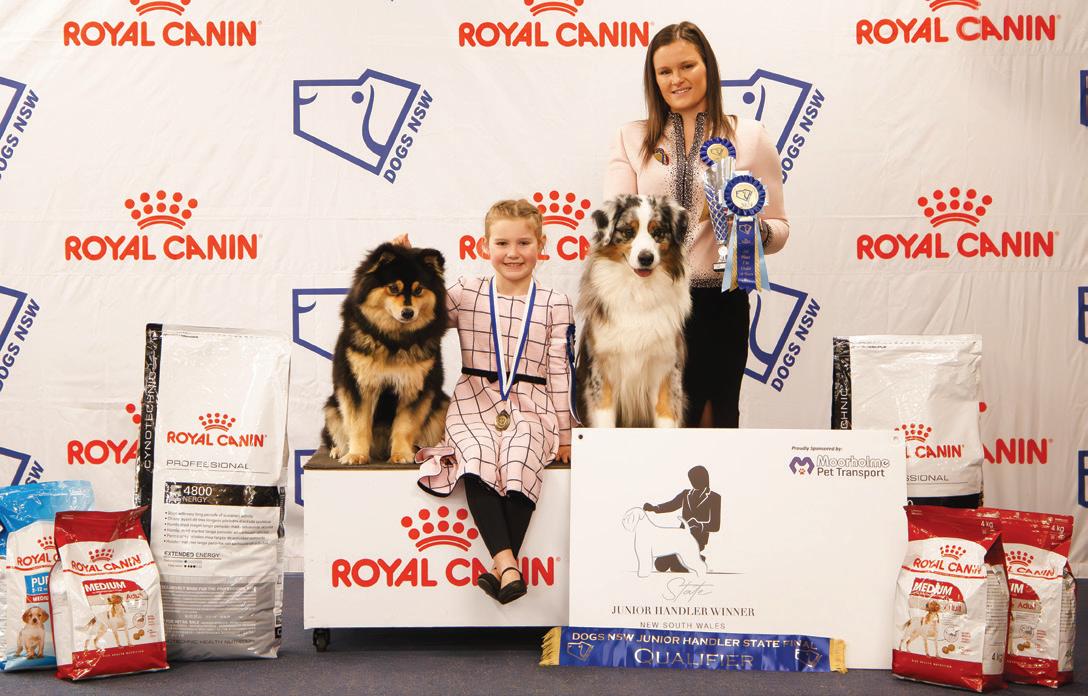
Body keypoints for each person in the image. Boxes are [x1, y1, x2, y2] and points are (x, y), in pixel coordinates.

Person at [603, 21, 790, 429]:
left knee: (712, 427)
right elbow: (614, 229)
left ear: (708, 66)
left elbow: (779, 227)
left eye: (687, 66)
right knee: (651, 425)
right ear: (653, 79)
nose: (677, 79)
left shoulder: (750, 136)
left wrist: (750, 229)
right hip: (647, 304)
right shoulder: (631, 138)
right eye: (664, 71)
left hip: (719, 305)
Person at [409, 200, 574, 605]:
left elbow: (560, 372)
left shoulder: (556, 302)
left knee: (522, 452)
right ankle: (509, 566)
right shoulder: (465, 292)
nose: (513, 253)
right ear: (484, 246)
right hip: (473, 399)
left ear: (541, 245)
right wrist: (409, 266)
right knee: (477, 455)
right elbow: (421, 313)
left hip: (532, 402)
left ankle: (501, 567)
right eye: (502, 243)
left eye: (524, 243)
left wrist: (566, 434)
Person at [643, 465, 721, 572]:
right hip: (680, 536)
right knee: (660, 565)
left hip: (697, 538)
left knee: (677, 567)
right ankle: (692, 559)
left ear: (704, 479)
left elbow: (715, 525)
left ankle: (695, 559)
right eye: (691, 479)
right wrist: (655, 508)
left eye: (695, 479)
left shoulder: (714, 497)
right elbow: (672, 505)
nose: (693, 482)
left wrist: (699, 525)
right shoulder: (686, 494)